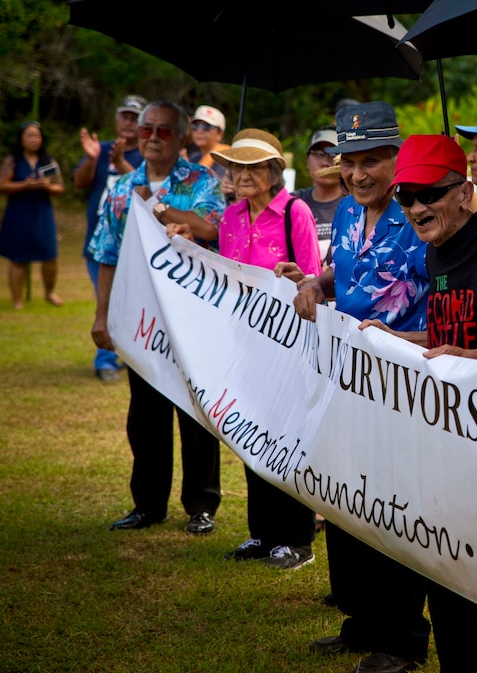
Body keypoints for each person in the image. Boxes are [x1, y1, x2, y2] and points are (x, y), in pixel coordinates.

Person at [362, 133, 477, 673]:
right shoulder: (434, 248)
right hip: (445, 429)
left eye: (428, 193)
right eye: (405, 195)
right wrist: (387, 337)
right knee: (443, 560)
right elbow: (445, 336)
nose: (414, 207)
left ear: (464, 191)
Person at [294, 101, 432, 673]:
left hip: (405, 389)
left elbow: (447, 297)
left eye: (371, 160)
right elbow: (347, 276)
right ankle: (362, 619)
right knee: (347, 500)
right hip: (346, 382)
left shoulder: (422, 215)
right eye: (349, 161)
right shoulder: (350, 214)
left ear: (397, 159)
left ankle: (400, 639)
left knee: (395, 507)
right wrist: (314, 281)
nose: (357, 174)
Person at [172, 128, 322, 569]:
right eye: (236, 167)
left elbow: (312, 277)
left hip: (288, 342)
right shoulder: (232, 216)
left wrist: (294, 279)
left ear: (275, 172)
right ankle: (262, 534)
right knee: (251, 435)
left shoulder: (296, 211)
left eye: (253, 167)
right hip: (242, 342)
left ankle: (297, 539)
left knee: (286, 438)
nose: (242, 175)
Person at [88, 100, 226, 536]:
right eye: (146, 129)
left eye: (163, 131)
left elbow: (210, 228)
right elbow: (106, 254)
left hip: (192, 319)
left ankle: (201, 506)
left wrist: (158, 209)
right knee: (145, 416)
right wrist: (102, 315)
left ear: (181, 138)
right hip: (141, 317)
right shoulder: (122, 187)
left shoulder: (202, 181)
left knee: (195, 414)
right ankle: (147, 505)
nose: (151, 137)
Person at [73, 94, 146, 382]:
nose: (129, 122)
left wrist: (121, 162)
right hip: (101, 242)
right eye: (125, 116)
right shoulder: (100, 149)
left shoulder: (146, 153)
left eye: (135, 117)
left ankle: (127, 354)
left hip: (136, 243)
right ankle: (105, 358)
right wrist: (93, 160)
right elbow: (80, 183)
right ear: (117, 119)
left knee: (132, 299)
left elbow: (145, 189)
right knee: (106, 297)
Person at [0, 121, 65, 310]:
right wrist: (24, 185)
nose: (34, 139)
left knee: (50, 255)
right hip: (19, 212)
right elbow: (0, 185)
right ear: (21, 139)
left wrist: (47, 186)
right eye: (29, 136)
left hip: (42, 212)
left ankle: (49, 292)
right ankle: (17, 299)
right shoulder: (13, 161)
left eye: (37, 136)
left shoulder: (48, 162)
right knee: (19, 257)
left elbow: (60, 187)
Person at [292, 126, 346, 264]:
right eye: (318, 154)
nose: (325, 162)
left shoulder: (354, 205)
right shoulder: (292, 203)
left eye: (333, 154)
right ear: (307, 161)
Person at [187, 105, 233, 202]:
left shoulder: (225, 160)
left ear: (220, 134)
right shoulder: (194, 157)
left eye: (206, 127)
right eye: (195, 126)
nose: (199, 131)